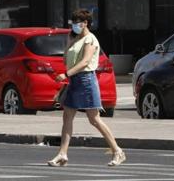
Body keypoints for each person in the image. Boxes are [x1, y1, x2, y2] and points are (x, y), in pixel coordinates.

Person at [47, 9, 126, 167]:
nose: (75, 25)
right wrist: (69, 44)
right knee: (67, 117)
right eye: (74, 22)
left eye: (78, 22)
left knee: (94, 119)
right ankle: (62, 154)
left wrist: (66, 74)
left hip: (86, 80)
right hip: (75, 81)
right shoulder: (74, 38)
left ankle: (118, 151)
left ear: (86, 23)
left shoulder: (91, 39)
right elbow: (65, 59)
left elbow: (84, 62)